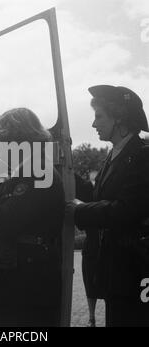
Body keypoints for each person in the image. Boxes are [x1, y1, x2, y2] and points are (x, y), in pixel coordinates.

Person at [0, 108, 65, 327]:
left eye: (1, 141)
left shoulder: (37, 171)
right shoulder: (28, 170)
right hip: (25, 274)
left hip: (27, 280)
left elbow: (6, 220)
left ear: (18, 141)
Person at [68, 85, 149, 327]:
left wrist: (78, 210)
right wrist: (66, 172)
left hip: (136, 269)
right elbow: (98, 197)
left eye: (99, 116)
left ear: (119, 117)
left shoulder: (143, 156)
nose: (93, 124)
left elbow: (126, 210)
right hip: (118, 270)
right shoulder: (116, 154)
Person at [75, 173, 100, 327]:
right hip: (92, 242)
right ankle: (91, 316)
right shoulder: (87, 188)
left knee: (93, 281)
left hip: (97, 241)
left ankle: (92, 317)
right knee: (90, 281)